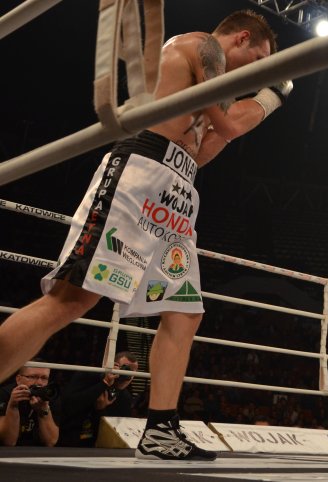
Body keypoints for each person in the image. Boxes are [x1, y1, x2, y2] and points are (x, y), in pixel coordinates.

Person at [0, 9, 292, 461]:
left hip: (178, 190)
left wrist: (242, 113)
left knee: (184, 311)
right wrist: (272, 96)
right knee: (70, 300)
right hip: (140, 176)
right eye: (257, 61)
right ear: (241, 38)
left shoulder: (216, 87)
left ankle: (160, 429)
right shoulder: (202, 47)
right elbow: (234, 122)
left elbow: (207, 148)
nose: (255, 73)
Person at [58, 352, 138, 447]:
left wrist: (100, 410)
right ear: (113, 366)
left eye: (133, 372)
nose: (129, 376)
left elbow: (117, 432)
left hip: (97, 444)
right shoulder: (88, 376)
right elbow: (68, 405)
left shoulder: (125, 397)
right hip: (68, 437)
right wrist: (104, 383)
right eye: (126, 369)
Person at [0, 361, 59, 446]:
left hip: (36, 450)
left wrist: (43, 411)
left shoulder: (50, 395)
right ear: (18, 379)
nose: (39, 383)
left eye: (44, 378)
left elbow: (51, 441)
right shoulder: (4, 394)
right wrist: (13, 407)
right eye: (33, 377)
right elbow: (8, 442)